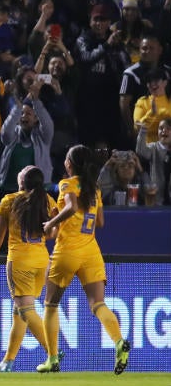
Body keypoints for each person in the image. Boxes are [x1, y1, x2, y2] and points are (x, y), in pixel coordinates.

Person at [37, 145, 131, 374]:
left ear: (70, 164)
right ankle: (119, 341)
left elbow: (71, 207)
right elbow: (99, 223)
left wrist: (51, 223)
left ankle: (52, 359)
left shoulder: (67, 184)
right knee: (98, 304)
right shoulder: (94, 188)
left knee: (50, 304)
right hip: (91, 251)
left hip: (67, 251)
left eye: (67, 158)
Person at [0, 166, 56, 372]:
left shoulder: (9, 200)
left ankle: (53, 352)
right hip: (42, 261)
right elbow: (54, 232)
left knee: (26, 310)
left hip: (20, 260)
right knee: (20, 312)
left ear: (22, 181)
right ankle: (8, 361)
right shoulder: (48, 200)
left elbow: (0, 231)